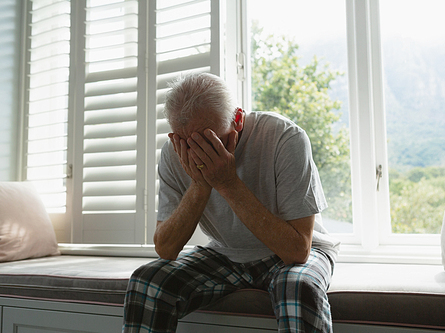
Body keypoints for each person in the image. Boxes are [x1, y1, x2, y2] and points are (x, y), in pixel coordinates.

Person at [122, 73, 340, 333]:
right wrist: (200, 184)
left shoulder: (284, 137)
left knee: (296, 288)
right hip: (226, 253)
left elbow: (298, 250)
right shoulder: (173, 153)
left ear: (237, 119)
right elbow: (166, 248)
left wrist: (227, 183)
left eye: (212, 141)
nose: (200, 154)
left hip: (296, 251)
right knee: (147, 281)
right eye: (189, 144)